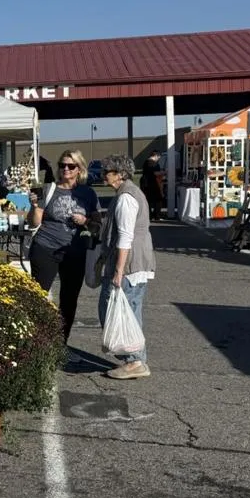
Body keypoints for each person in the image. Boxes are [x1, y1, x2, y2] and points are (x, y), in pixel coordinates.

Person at [28, 150, 101, 345]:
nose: (66, 169)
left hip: (74, 251)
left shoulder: (88, 193)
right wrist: (34, 206)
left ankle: (60, 344)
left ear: (80, 169)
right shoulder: (47, 189)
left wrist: (85, 221)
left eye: (71, 166)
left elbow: (97, 225)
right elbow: (34, 222)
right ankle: (38, 343)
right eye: (62, 165)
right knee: (38, 297)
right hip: (45, 247)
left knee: (69, 300)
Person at [98, 154, 156, 379]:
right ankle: (135, 360)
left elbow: (125, 236)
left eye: (107, 172)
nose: (104, 175)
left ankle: (134, 361)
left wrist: (118, 270)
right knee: (130, 311)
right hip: (137, 262)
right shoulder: (129, 193)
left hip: (130, 265)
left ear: (120, 174)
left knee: (122, 311)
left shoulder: (126, 197)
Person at [141, 150, 165, 220]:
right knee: (158, 200)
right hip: (152, 183)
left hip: (146, 183)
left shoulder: (146, 162)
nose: (159, 159)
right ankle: (156, 215)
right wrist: (164, 172)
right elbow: (155, 173)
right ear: (156, 156)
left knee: (148, 200)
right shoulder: (152, 163)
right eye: (159, 157)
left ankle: (150, 216)